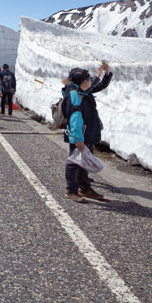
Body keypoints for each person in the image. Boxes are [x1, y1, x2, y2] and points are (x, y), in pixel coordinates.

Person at [64, 62, 113, 202]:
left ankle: (84, 188)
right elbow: (75, 119)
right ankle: (71, 190)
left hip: (86, 135)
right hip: (80, 136)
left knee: (82, 162)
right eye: (89, 79)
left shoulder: (81, 90)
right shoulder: (75, 95)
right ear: (84, 82)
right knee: (74, 163)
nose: (91, 81)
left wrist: (106, 73)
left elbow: (98, 85)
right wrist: (79, 139)